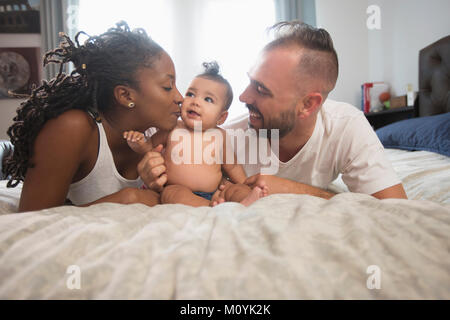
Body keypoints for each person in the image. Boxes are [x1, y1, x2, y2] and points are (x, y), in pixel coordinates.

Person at [139, 21, 407, 201]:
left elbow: (394, 209)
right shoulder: (227, 135)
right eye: (249, 80)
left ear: (308, 105)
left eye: (261, 89)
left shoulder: (346, 126)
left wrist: (293, 189)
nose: (243, 96)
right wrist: (154, 174)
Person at [4, 22, 184, 212]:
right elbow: (32, 217)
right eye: (167, 87)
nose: (180, 98)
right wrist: (128, 198)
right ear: (125, 96)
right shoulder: (72, 128)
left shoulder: (163, 132)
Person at [124, 62, 268, 207]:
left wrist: (244, 185)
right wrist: (140, 143)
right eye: (191, 94)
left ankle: (248, 201)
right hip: (177, 187)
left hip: (215, 191)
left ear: (221, 117)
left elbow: (232, 166)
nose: (196, 102)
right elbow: (151, 148)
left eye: (208, 99)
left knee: (236, 190)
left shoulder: (220, 135)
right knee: (171, 195)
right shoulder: (173, 128)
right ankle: (209, 207)